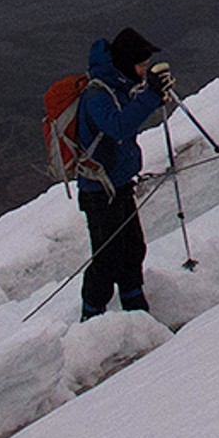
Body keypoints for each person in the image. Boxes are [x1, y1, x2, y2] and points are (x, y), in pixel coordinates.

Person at [74, 26, 177, 320]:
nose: (144, 70)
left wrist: (153, 96)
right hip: (99, 191)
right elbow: (117, 126)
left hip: (119, 185)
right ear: (125, 63)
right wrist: (151, 96)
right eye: (141, 64)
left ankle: (137, 310)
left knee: (133, 250)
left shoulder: (119, 85)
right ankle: (91, 320)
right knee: (106, 260)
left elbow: (126, 117)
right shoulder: (98, 93)